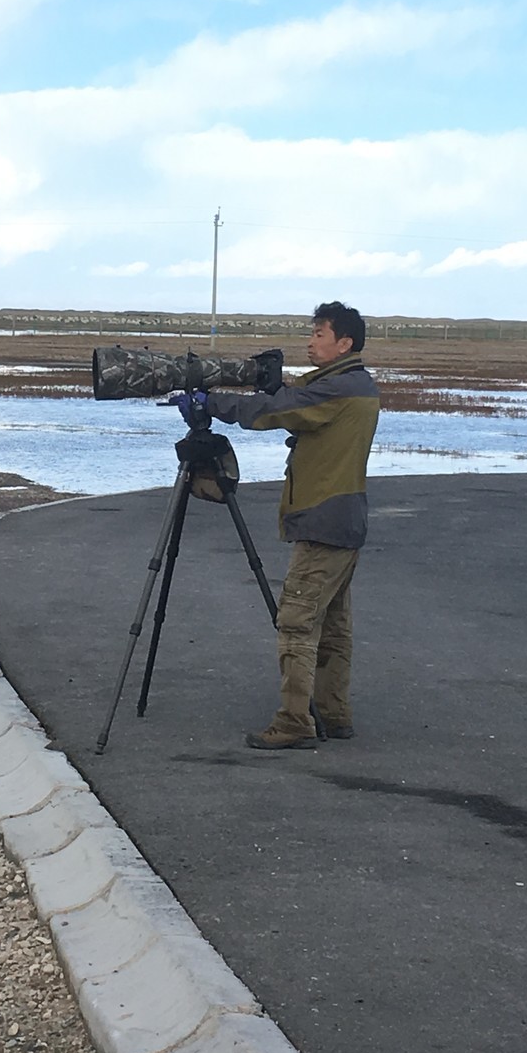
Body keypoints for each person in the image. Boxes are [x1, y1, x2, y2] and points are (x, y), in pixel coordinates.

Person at [194, 302, 380, 751]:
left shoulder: (336, 390)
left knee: (297, 624)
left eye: (319, 334)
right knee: (332, 624)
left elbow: (277, 411)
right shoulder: (354, 386)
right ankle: (333, 715)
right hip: (345, 518)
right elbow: (295, 405)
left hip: (322, 520)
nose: (311, 342)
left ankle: (295, 721)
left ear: (344, 343)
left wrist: (211, 402)